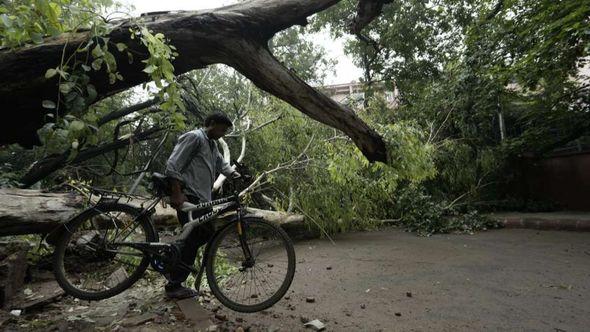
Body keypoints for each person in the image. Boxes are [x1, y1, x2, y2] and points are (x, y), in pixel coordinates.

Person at [163, 112, 240, 299]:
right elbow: (173, 164)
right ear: (211, 124)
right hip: (189, 196)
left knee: (203, 234)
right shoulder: (194, 137)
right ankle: (174, 282)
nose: (222, 134)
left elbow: (223, 166)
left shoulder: (212, 145)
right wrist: (176, 192)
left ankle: (173, 256)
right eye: (221, 129)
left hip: (202, 200)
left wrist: (238, 176)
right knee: (197, 236)